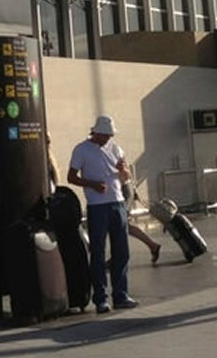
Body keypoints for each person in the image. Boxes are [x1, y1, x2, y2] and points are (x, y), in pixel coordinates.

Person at [67, 115, 138, 313]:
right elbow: (71, 177)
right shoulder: (81, 149)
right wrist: (92, 184)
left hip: (117, 203)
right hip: (97, 206)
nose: (108, 138)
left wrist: (123, 171)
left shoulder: (116, 148)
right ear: (95, 133)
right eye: (105, 135)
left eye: (110, 135)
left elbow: (126, 177)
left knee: (121, 251)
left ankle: (121, 295)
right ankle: (101, 299)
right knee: (98, 252)